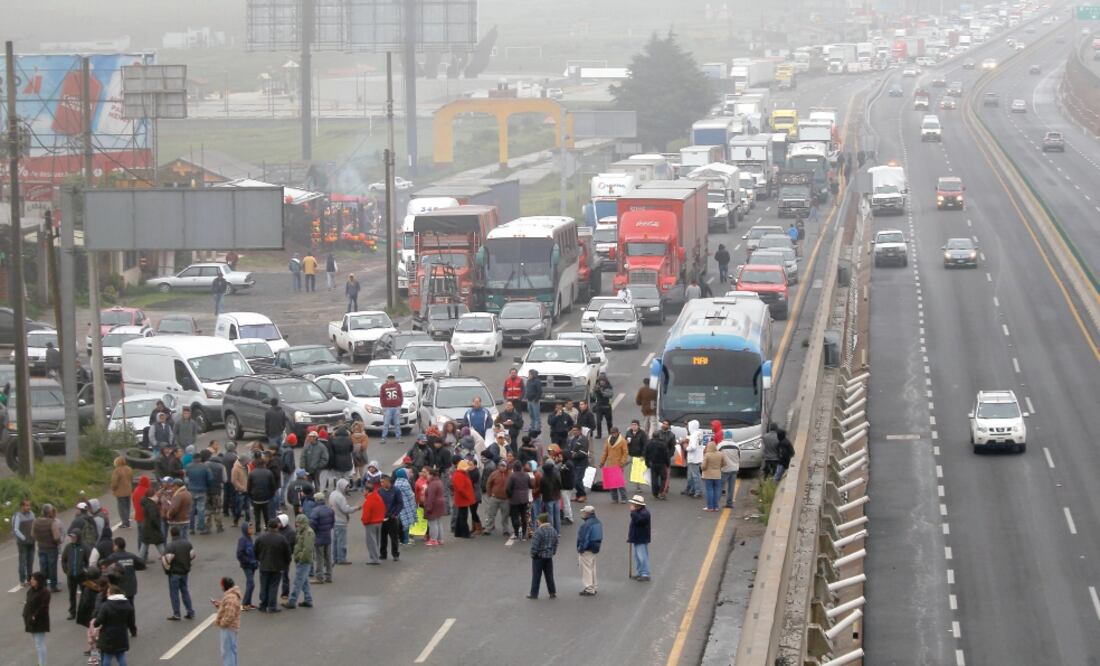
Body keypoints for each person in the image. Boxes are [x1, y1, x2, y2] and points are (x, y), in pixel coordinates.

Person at [254, 519, 291, 613]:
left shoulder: (261, 538)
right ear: (277, 527)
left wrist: (260, 559)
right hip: (277, 566)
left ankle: (263, 605)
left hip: (264, 565)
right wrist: (285, 564)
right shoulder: (281, 539)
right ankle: (272, 606)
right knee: (273, 586)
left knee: (264, 585)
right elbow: (287, 553)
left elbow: (255, 551)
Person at [95, 583, 137, 666]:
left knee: (107, 656)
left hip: (108, 635)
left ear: (112, 594)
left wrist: (96, 624)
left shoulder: (106, 606)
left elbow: (99, 621)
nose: (106, 594)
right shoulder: (127, 605)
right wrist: (133, 630)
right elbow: (131, 621)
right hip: (122, 634)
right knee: (121, 655)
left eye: (108, 593)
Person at [163, 526, 195, 621]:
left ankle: (177, 614)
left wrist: (167, 571)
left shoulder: (170, 546)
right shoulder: (187, 544)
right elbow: (192, 556)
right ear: (179, 533)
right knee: (185, 591)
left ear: (171, 534)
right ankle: (190, 611)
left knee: (174, 593)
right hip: (185, 572)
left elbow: (166, 561)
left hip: (174, 573)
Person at [284, 514, 315, 609]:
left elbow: (307, 548)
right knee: (304, 581)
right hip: (301, 560)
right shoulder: (302, 531)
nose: (296, 525)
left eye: (298, 523)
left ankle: (292, 601)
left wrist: (300, 558)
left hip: (303, 561)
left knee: (298, 581)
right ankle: (308, 600)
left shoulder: (308, 533)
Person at [102, 537, 145, 603]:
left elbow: (103, 564)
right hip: (131, 587)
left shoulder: (113, 557)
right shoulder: (131, 556)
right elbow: (142, 564)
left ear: (116, 546)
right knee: (130, 605)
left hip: (118, 588)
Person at [527, 513, 558, 600]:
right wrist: (553, 552)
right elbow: (555, 543)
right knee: (549, 575)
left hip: (539, 557)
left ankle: (534, 594)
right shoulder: (553, 530)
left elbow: (535, 546)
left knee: (536, 576)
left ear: (541, 521)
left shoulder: (538, 532)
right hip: (549, 557)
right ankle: (552, 592)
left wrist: (533, 555)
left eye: (538, 521)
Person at [32, 503, 62, 592]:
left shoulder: (36, 521)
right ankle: (53, 586)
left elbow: (33, 534)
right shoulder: (52, 522)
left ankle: (43, 585)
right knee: (52, 567)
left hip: (41, 547)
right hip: (51, 548)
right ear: (49, 513)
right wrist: (58, 543)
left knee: (43, 567)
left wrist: (40, 540)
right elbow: (56, 537)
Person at [213, 576, 242, 666]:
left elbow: (230, 614)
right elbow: (229, 608)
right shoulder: (232, 596)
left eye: (222, 586)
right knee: (231, 651)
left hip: (228, 627)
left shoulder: (230, 597)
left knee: (227, 652)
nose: (221, 588)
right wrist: (221, 605)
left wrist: (222, 623)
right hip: (231, 628)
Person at [24, 571, 50, 666]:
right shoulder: (30, 591)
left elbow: (43, 607)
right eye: (31, 579)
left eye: (33, 579)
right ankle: (41, 662)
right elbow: (28, 603)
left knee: (40, 643)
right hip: (30, 620)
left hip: (39, 621)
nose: (31, 580)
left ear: (39, 581)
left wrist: (34, 616)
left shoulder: (45, 592)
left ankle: (42, 663)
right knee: (37, 643)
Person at [185, 450, 214, 535]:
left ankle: (191, 528)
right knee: (201, 509)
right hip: (202, 490)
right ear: (200, 458)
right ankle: (201, 528)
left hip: (191, 490)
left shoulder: (188, 466)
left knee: (191, 510)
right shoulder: (205, 467)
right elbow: (210, 478)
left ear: (193, 459)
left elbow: (186, 479)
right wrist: (207, 486)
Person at [576, 506, 602, 596]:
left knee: (586, 569)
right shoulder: (598, 522)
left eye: (584, 512)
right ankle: (594, 586)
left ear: (587, 513)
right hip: (595, 548)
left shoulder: (586, 525)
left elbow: (584, 539)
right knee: (592, 568)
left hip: (587, 549)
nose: (582, 514)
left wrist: (581, 549)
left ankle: (589, 588)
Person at [599, 427, 629, 503]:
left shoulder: (622, 441)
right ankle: (614, 498)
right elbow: (605, 452)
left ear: (618, 432)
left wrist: (622, 462)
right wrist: (602, 462)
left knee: (619, 483)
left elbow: (625, 453)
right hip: (610, 464)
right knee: (612, 483)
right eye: (612, 433)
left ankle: (624, 498)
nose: (613, 434)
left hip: (618, 464)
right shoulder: (608, 440)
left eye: (614, 433)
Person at [482, 459, 511, 538]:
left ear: (507, 467)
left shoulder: (510, 474)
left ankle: (505, 530)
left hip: (505, 499)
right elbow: (488, 484)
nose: (502, 467)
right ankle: (488, 529)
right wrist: (490, 494)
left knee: (505, 516)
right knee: (491, 514)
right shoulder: (494, 474)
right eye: (500, 465)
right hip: (494, 498)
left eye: (503, 466)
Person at [376, 476, 403, 559]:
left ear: (388, 482)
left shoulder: (396, 490)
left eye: (383, 482)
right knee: (382, 538)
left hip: (392, 518)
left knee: (394, 537)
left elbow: (400, 504)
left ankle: (395, 554)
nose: (381, 484)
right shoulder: (379, 491)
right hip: (381, 518)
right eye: (381, 482)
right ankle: (383, 554)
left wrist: (394, 514)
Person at [310, 492, 335, 580]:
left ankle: (319, 576)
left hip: (318, 538)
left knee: (319, 557)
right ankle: (329, 576)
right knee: (328, 557)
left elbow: (312, 525)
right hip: (327, 536)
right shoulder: (329, 510)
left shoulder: (315, 511)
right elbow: (332, 523)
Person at [138, 479, 165, 561]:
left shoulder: (146, 503)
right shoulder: (152, 506)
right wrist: (158, 525)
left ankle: (139, 561)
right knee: (159, 544)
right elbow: (154, 517)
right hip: (153, 528)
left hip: (146, 527)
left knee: (144, 544)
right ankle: (167, 560)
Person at [627, 495, 652, 581]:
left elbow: (638, 521)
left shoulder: (644, 513)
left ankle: (645, 573)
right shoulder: (639, 512)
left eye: (634, 504)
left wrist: (633, 512)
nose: (632, 505)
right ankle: (640, 572)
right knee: (637, 557)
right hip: (637, 537)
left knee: (642, 556)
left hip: (641, 538)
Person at [247, 459, 276, 532]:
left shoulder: (252, 473)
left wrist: (251, 495)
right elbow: (272, 486)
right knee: (266, 514)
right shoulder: (269, 473)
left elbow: (249, 487)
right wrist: (271, 495)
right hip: (266, 497)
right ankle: (267, 527)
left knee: (257, 514)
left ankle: (257, 529)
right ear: (264, 464)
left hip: (255, 498)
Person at [505, 461, 532, 541]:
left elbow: (507, 488)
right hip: (524, 499)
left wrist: (510, 496)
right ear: (521, 467)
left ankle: (516, 533)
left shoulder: (512, 476)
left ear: (514, 468)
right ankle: (524, 534)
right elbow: (531, 485)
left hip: (514, 499)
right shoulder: (526, 475)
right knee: (524, 516)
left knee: (514, 517)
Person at [717, 423, 741, 508]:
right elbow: (738, 457)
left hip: (724, 469)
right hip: (734, 469)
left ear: (724, 436)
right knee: (731, 487)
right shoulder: (736, 445)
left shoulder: (720, 445)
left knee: (719, 486)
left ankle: (716, 503)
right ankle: (729, 503)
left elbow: (718, 456)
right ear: (731, 436)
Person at [235, 522, 258, 611]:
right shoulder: (243, 540)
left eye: (252, 528)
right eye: (250, 528)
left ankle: (248, 603)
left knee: (250, 584)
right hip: (247, 565)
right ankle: (245, 603)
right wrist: (249, 561)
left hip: (252, 565)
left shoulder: (249, 539)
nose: (252, 530)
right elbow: (239, 553)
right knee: (251, 584)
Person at [361, 481, 385, 562]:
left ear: (367, 491)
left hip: (371, 523)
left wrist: (364, 522)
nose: (363, 492)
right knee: (376, 541)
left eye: (364, 490)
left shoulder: (368, 501)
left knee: (371, 542)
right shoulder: (378, 497)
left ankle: (374, 559)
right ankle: (376, 556)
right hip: (379, 522)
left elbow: (366, 515)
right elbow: (383, 509)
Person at [13, 499, 35, 587]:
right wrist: (24, 538)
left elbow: (34, 524)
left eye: (29, 505)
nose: (28, 507)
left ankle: (29, 579)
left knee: (31, 561)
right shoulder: (17, 516)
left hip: (32, 541)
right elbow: (15, 529)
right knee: (23, 562)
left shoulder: (32, 514)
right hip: (23, 543)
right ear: (22, 506)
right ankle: (22, 580)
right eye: (26, 505)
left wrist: (35, 535)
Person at [393, 469, 417, 545]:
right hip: (406, 506)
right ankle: (406, 540)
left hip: (398, 506)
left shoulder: (396, 482)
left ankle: (401, 540)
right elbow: (410, 495)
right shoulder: (405, 483)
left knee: (400, 523)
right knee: (406, 524)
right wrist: (414, 495)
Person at [681, 420, 705, 499]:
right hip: (699, 457)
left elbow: (693, 447)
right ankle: (692, 490)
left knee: (695, 476)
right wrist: (687, 439)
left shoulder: (694, 435)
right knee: (692, 475)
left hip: (693, 458)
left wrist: (686, 447)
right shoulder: (699, 433)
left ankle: (698, 492)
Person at [451, 462, 476, 538]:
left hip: (462, 498)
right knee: (463, 517)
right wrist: (468, 496)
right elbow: (461, 489)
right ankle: (465, 533)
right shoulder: (460, 475)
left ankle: (458, 532)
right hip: (463, 499)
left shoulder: (460, 474)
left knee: (460, 516)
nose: (467, 469)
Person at [423, 467, 447, 546]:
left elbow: (431, 497)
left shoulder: (432, 484)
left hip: (434, 505)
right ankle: (440, 539)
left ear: (431, 475)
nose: (426, 476)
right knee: (439, 522)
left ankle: (433, 539)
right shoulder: (438, 481)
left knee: (432, 523)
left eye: (427, 474)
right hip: (440, 504)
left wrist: (428, 508)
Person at [538, 460, 562, 534]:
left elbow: (541, 490)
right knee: (557, 515)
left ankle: (552, 532)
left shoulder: (543, 478)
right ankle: (558, 532)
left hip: (548, 498)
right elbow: (560, 485)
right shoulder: (556, 475)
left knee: (550, 515)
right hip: (557, 497)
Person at [625, 420, 649, 493]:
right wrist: (626, 442)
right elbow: (625, 442)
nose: (633, 426)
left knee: (637, 472)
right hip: (630, 454)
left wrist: (643, 455)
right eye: (632, 425)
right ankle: (617, 483)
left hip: (638, 456)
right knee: (621, 466)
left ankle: (638, 487)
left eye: (635, 425)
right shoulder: (628, 432)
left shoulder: (642, 434)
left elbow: (645, 445)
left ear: (638, 426)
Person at [379, 374, 404, 443]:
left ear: (394, 379)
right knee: (386, 423)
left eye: (392, 379)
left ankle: (399, 438)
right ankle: (384, 438)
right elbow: (382, 396)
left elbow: (400, 395)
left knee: (397, 423)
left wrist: (400, 404)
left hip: (396, 407)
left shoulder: (398, 385)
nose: (391, 380)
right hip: (387, 408)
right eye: (390, 379)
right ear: (387, 379)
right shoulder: (383, 386)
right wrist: (383, 406)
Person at [702, 441, 725, 511]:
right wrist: (719, 467)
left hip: (708, 475)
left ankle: (710, 507)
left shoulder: (707, 455)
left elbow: (703, 466)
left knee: (709, 490)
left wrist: (702, 467)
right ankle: (716, 506)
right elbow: (724, 463)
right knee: (717, 490)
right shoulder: (721, 454)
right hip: (718, 475)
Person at [592, 374, 614, 438]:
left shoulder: (608, 386)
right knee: (598, 422)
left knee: (609, 422)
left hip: (607, 406)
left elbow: (610, 395)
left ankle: (610, 434)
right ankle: (599, 434)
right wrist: (595, 391)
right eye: (600, 380)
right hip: (599, 407)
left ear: (605, 381)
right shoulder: (597, 386)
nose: (602, 382)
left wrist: (601, 392)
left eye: (603, 380)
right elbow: (593, 397)